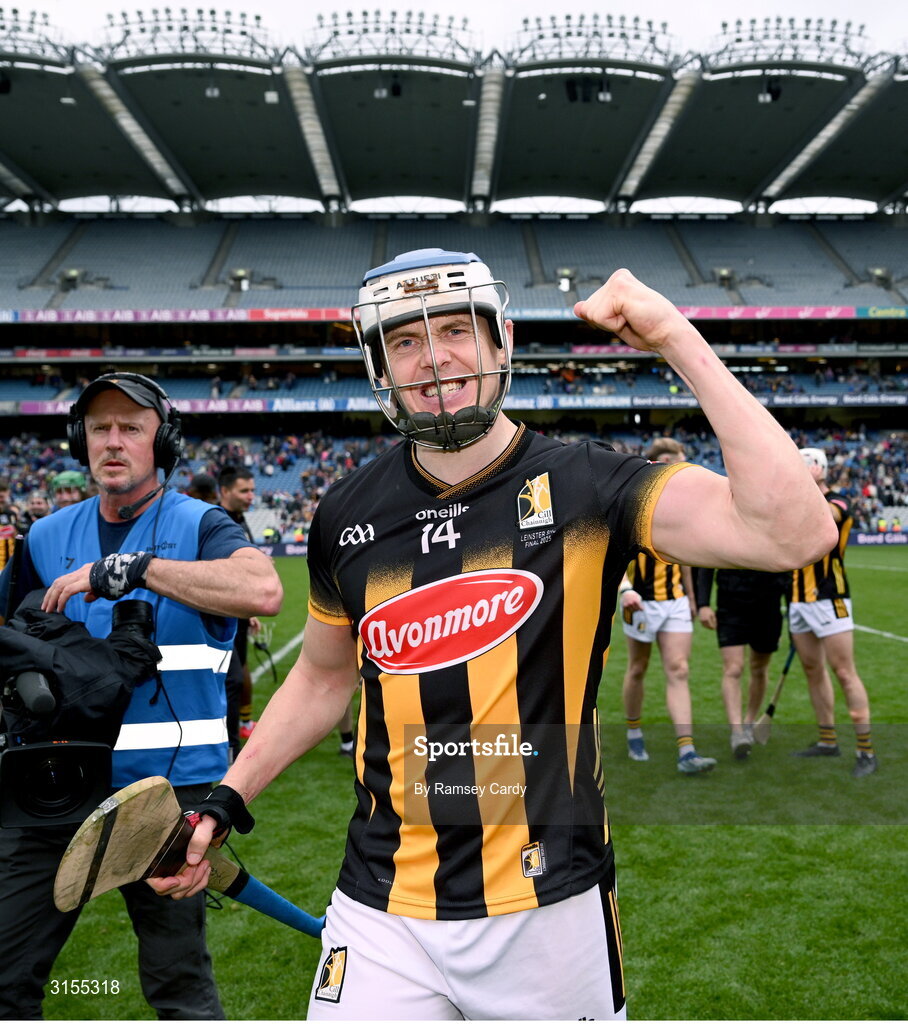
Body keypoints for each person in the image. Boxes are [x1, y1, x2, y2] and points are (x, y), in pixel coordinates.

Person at [150, 251, 835, 1021]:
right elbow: (321, 677)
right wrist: (226, 798)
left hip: (550, 904)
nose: (434, 357)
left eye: (454, 330)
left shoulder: (587, 483)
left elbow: (794, 531)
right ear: (378, 365)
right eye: (404, 341)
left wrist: (677, 336)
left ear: (501, 341)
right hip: (381, 904)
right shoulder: (345, 512)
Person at [0, 372, 283, 1020]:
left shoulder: (200, 523)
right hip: (53, 784)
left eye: (131, 427)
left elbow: (263, 590)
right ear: (80, 439)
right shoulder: (43, 538)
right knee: (5, 975)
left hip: (167, 794)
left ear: (164, 441)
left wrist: (133, 571)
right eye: (100, 427)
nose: (113, 440)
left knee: (177, 985)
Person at [619, 437, 716, 773]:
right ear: (656, 466)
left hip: (673, 601)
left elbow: (685, 557)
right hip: (639, 602)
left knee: (679, 669)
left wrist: (690, 596)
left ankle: (686, 752)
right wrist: (625, 590)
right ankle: (633, 731)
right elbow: (611, 551)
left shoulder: (686, 507)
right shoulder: (631, 501)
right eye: (672, 464)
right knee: (638, 668)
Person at [789, 447, 877, 778]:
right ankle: (828, 740)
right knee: (813, 670)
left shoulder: (839, 500)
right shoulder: (795, 501)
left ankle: (866, 750)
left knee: (843, 671)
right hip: (798, 598)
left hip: (831, 597)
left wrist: (802, 490)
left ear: (818, 468)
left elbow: (827, 518)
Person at [694, 566, 790, 758]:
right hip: (731, 601)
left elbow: (788, 563)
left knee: (759, 668)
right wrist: (703, 603)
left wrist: (792, 607)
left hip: (769, 603)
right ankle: (737, 732)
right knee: (733, 668)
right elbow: (706, 563)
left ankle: (749, 722)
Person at [217, 464, 261, 748]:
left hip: (239, 614)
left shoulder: (239, 519)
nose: (250, 496)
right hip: (222, 616)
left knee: (237, 673)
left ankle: (233, 734)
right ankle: (228, 742)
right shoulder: (217, 522)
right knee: (229, 680)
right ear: (224, 491)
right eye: (244, 491)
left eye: (252, 490)